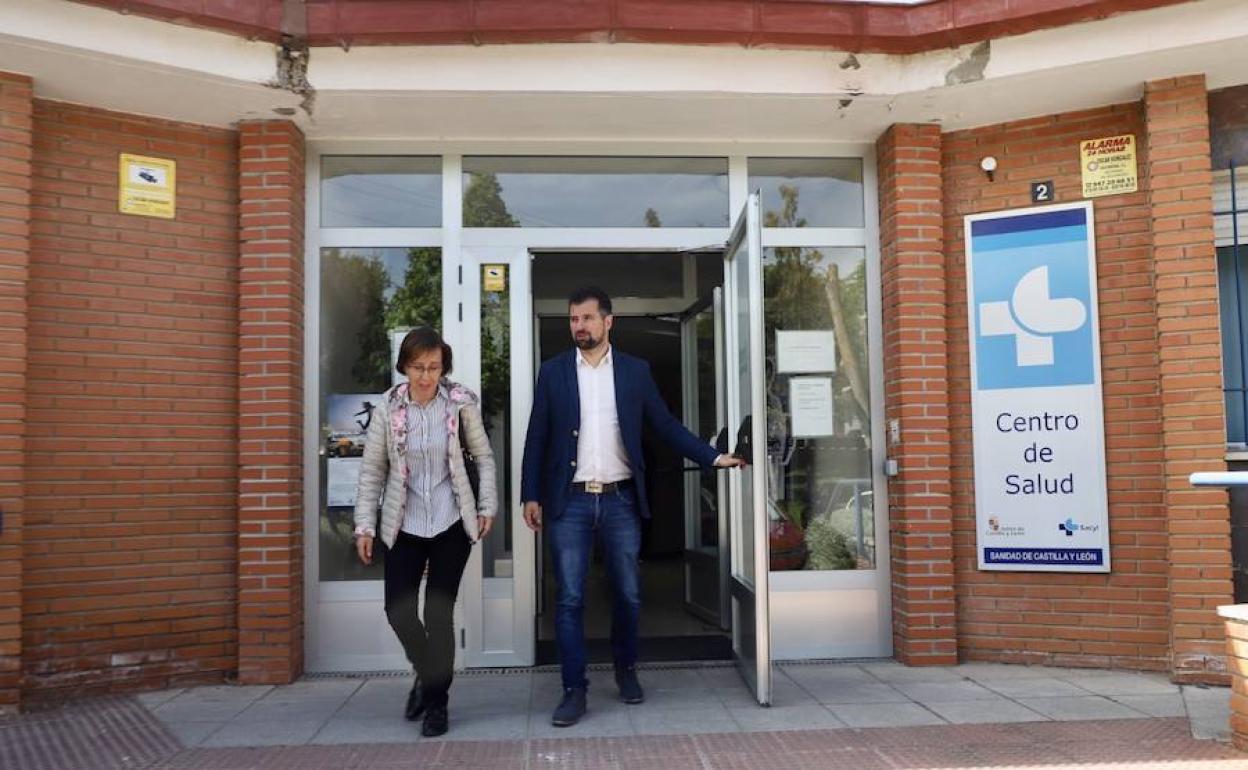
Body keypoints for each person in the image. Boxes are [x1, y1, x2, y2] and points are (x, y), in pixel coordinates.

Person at [521, 287, 744, 727]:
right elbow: (537, 437)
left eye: (586, 318)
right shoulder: (553, 373)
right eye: (573, 319)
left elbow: (665, 426)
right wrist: (531, 494)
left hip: (621, 498)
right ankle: (573, 689)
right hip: (570, 500)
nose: (578, 326)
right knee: (568, 598)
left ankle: (626, 670)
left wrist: (713, 457)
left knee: (627, 594)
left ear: (608, 321)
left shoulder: (635, 372)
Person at [353, 326, 497, 737]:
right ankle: (427, 671)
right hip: (405, 524)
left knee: (438, 614)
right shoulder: (388, 408)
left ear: (443, 366)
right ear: (404, 366)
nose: (426, 376)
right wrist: (365, 524)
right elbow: (372, 471)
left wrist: (487, 505)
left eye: (434, 367)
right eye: (417, 367)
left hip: (452, 523)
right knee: (398, 611)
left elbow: (484, 458)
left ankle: (437, 704)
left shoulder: (460, 403)